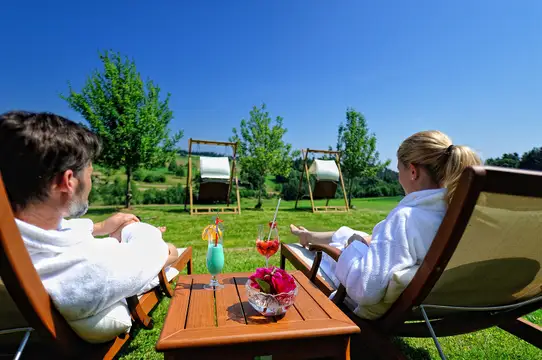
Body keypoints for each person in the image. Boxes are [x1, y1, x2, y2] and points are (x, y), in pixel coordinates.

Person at [0, 111, 180, 340]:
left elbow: (59, 232)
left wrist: (100, 226)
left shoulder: (18, 241)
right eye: (90, 174)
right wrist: (163, 246)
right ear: (68, 181)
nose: (90, 182)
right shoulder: (91, 267)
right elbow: (153, 253)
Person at [290, 130, 482, 319]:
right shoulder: (453, 213)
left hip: (373, 302)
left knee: (346, 241)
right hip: (430, 299)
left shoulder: (406, 218)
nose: (399, 178)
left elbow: (365, 289)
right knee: (352, 233)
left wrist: (353, 247)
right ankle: (310, 236)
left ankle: (312, 240)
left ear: (413, 172)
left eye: (400, 169)